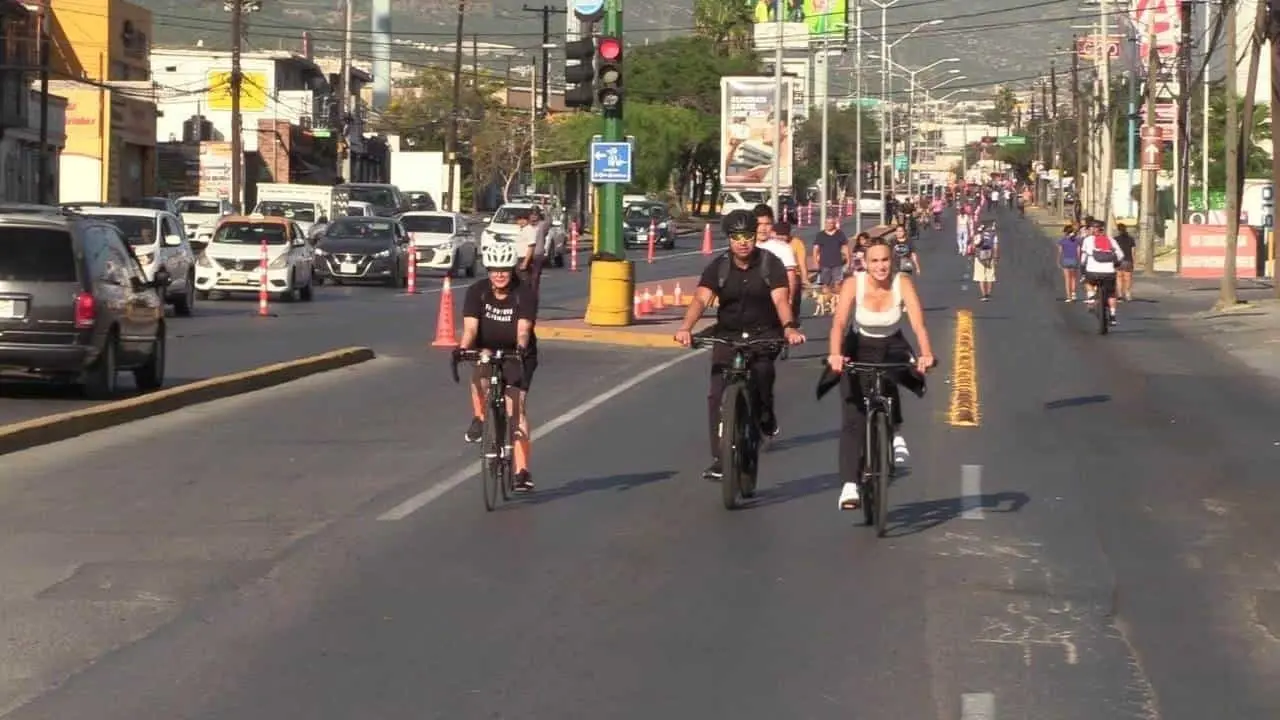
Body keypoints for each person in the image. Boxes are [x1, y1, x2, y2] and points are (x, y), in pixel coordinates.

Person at [674, 209, 805, 480]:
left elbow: (781, 300)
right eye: (737, 237)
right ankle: (720, 459)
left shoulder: (771, 264)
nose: (743, 242)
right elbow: (700, 299)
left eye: (747, 235)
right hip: (728, 334)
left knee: (763, 375)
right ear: (729, 239)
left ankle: (765, 415)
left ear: (754, 237)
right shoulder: (719, 266)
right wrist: (686, 328)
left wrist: (789, 328)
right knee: (715, 394)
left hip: (764, 333)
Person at [826, 238, 935, 511]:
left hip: (892, 344)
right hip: (858, 345)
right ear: (865, 262)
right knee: (853, 416)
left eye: (885, 260)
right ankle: (850, 484)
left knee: (894, 379)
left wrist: (926, 353)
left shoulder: (903, 283)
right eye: (874, 261)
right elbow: (839, 322)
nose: (880, 266)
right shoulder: (854, 283)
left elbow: (918, 325)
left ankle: (895, 433)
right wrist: (835, 354)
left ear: (893, 260)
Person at [459, 242, 540, 492]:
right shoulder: (477, 292)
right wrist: (464, 349)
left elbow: (524, 330)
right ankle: (480, 418)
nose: (500, 274)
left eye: (504, 269)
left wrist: (521, 348)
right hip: (487, 348)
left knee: (516, 408)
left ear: (512, 269)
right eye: (494, 270)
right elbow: (471, 328)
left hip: (517, 353)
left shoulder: (523, 293)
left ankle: (521, 471)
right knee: (479, 375)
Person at [753, 204, 801, 320]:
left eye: (767, 224)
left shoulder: (783, 248)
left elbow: (790, 276)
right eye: (759, 224)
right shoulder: (746, 246)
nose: (763, 229)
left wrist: (789, 301)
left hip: (776, 304)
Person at [1082, 221, 1124, 326]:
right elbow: (1121, 255)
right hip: (1109, 272)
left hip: (1093, 271)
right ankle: (1113, 315)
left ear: (1092, 230)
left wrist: (1083, 267)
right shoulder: (1111, 240)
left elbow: (1083, 258)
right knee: (1111, 293)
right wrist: (1116, 263)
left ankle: (1091, 297)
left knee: (1088, 281)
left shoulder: (1088, 240)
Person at [812, 216, 849, 304]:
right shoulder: (820, 235)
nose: (829, 225)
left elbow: (845, 248)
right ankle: (828, 302)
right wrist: (815, 262)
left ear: (834, 224)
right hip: (824, 264)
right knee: (825, 284)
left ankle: (837, 302)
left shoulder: (840, 234)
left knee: (838, 283)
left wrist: (848, 261)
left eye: (831, 223)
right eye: (827, 223)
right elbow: (815, 249)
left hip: (837, 263)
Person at [971, 220, 999, 301]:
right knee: (990, 276)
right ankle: (988, 294)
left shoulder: (979, 235)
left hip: (979, 258)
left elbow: (974, 246)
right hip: (990, 257)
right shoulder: (993, 235)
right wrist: (996, 257)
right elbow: (995, 247)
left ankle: (984, 295)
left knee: (981, 277)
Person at [1057, 223, 1081, 302]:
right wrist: (1079, 260)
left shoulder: (1062, 241)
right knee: (1073, 278)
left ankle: (1068, 297)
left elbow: (1060, 252)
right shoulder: (1076, 240)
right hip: (1074, 260)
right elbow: (1078, 252)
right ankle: (1074, 294)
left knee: (1067, 279)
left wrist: (1058, 261)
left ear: (1065, 232)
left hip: (1065, 260)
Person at [1113, 222, 1136, 301]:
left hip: (1119, 261)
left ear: (1118, 230)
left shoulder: (1115, 239)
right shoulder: (1131, 239)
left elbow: (1114, 251)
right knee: (1128, 278)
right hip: (1128, 260)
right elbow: (1133, 251)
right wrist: (1133, 261)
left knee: (1119, 277)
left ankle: (1119, 294)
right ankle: (1127, 293)